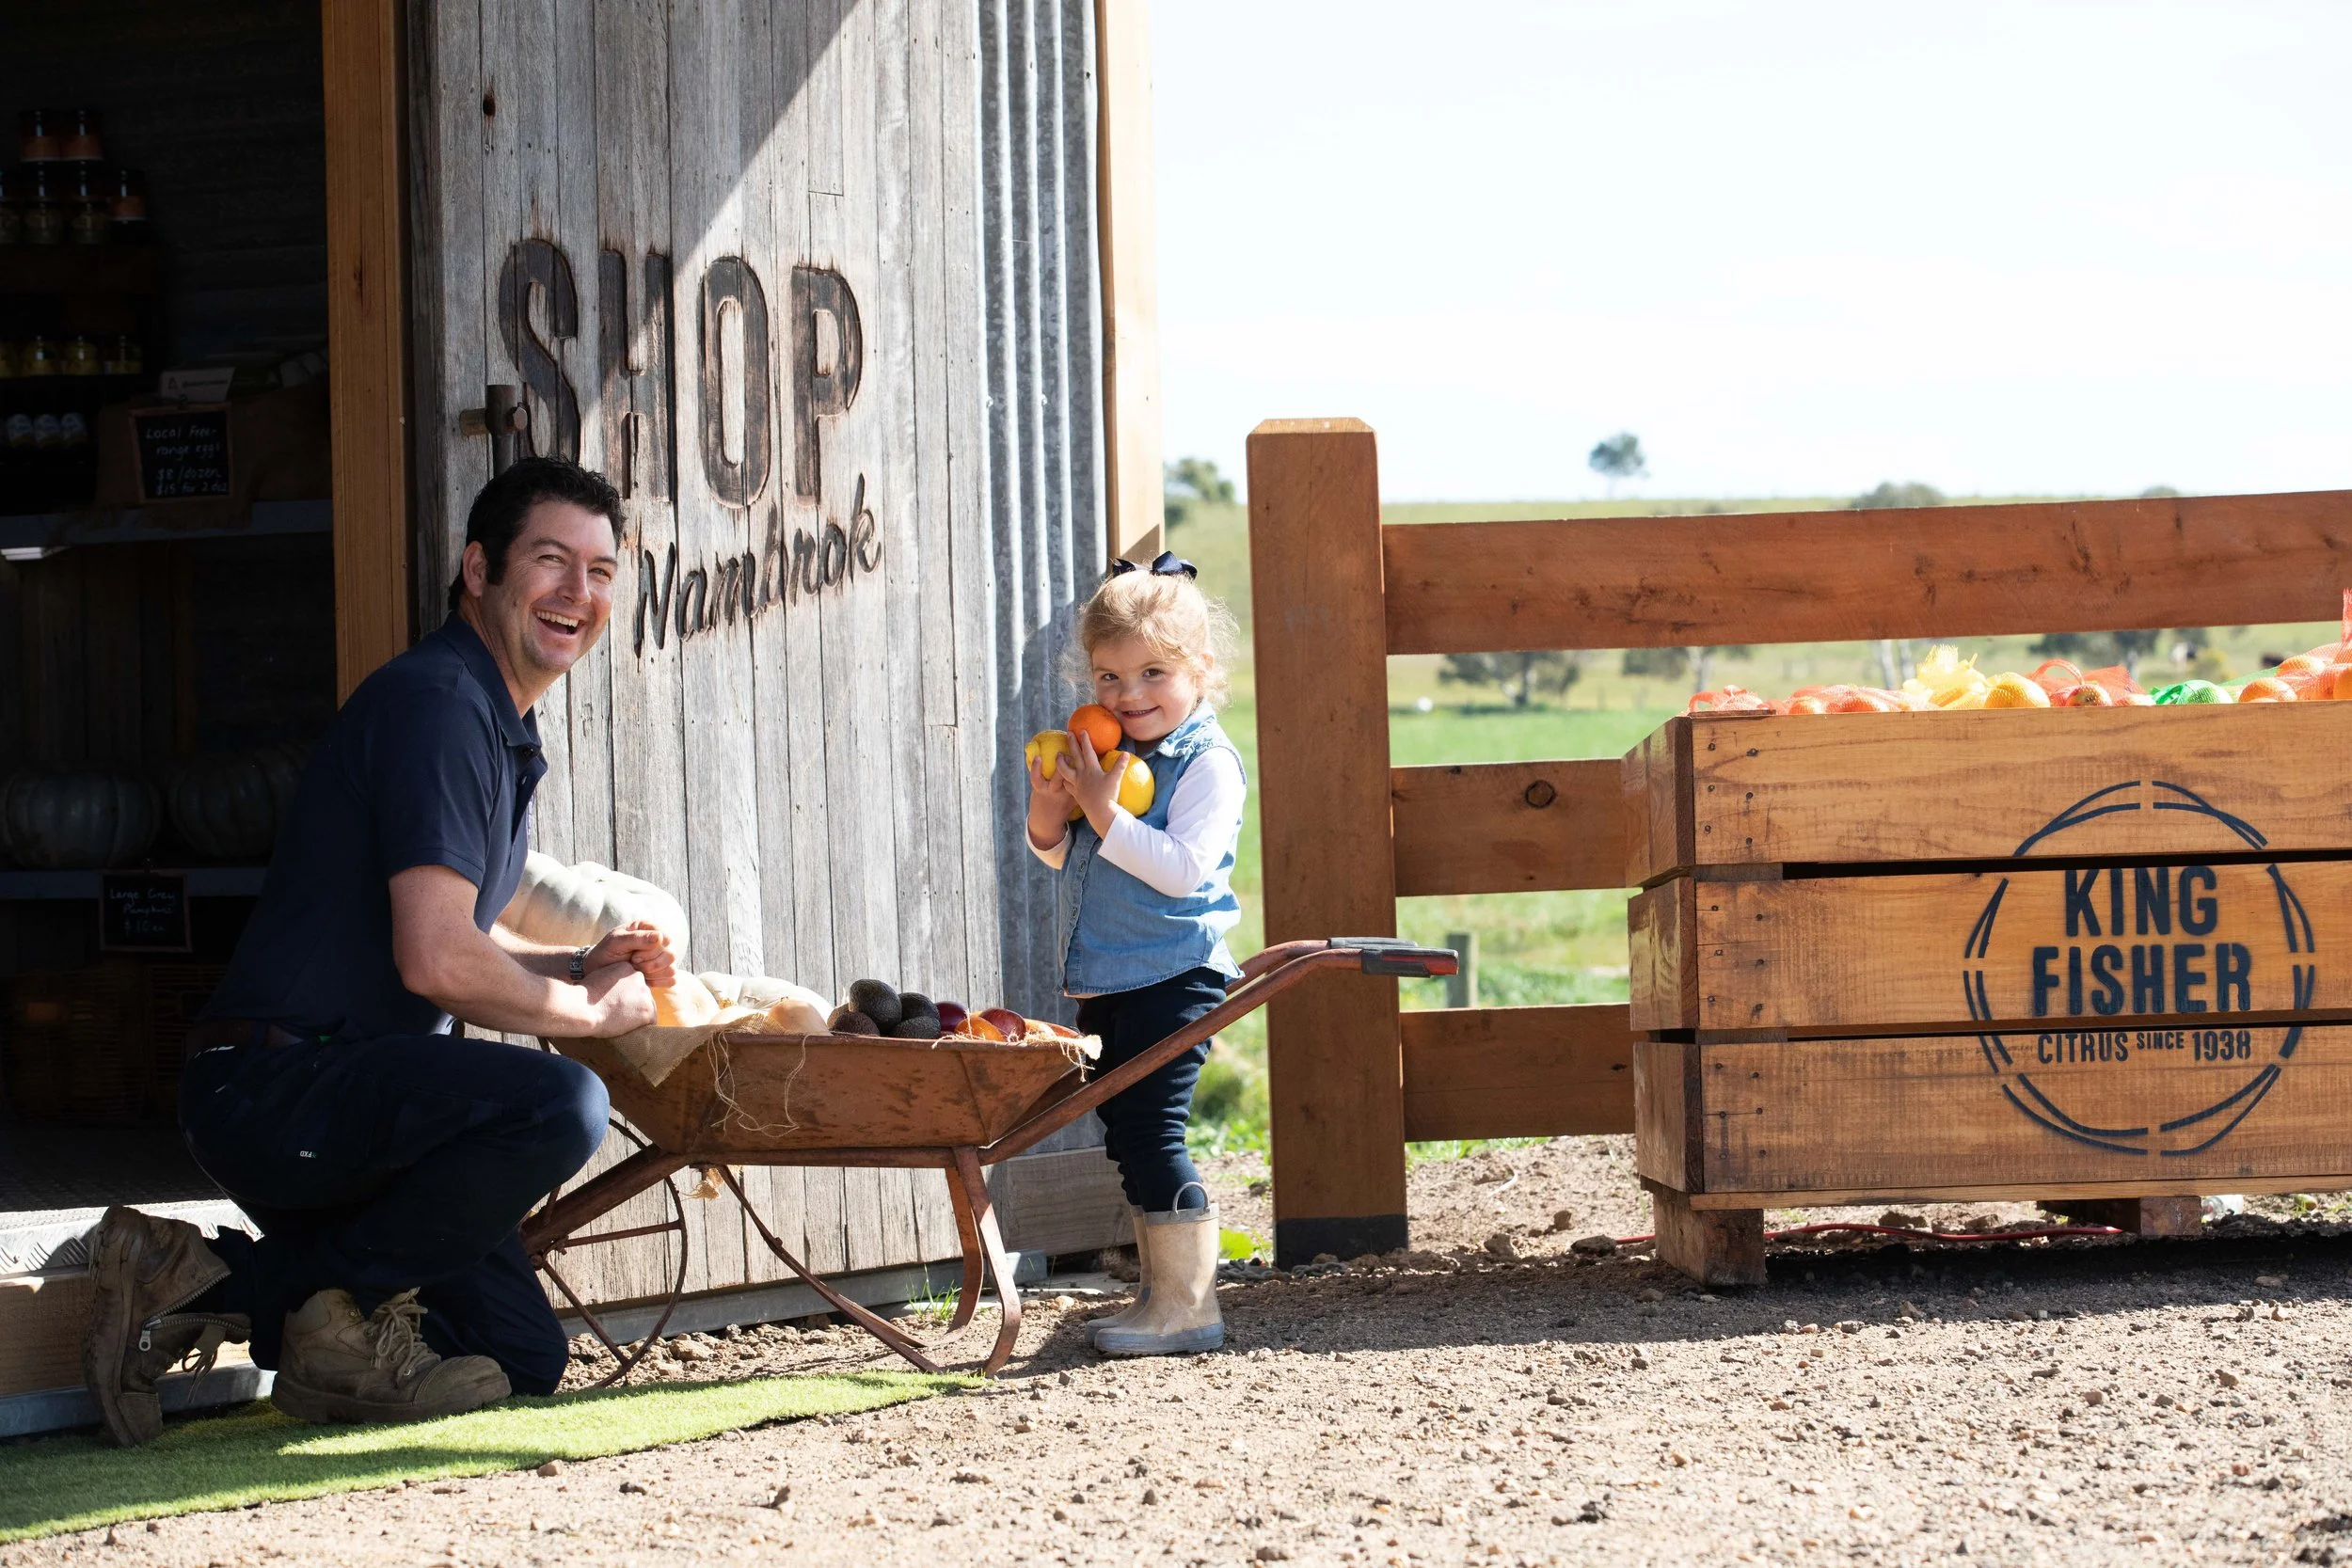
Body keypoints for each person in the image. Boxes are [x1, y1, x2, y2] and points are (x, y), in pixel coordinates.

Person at [81, 457, 671, 1446]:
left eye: (602, 570)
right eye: (551, 560)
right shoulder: (439, 704)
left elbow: (461, 937)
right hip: (274, 1084)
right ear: (478, 569)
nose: (580, 591)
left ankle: (265, 1314)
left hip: (360, 1097)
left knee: (520, 1358)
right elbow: (437, 964)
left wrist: (575, 965)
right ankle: (262, 1299)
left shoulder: (494, 720)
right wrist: (589, 1015)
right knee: (566, 1101)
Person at [1025, 552, 1246, 1357]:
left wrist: (1103, 812)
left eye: (1154, 672)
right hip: (1112, 977)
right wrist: (1054, 816)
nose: (1130, 694)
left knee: (1155, 1131)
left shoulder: (1208, 764)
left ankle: (1189, 1305)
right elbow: (1064, 859)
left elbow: (1185, 871)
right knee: (1124, 1130)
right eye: (1108, 675)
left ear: (1201, 670)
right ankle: (1160, 1293)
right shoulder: (1109, 753)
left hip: (1177, 975)